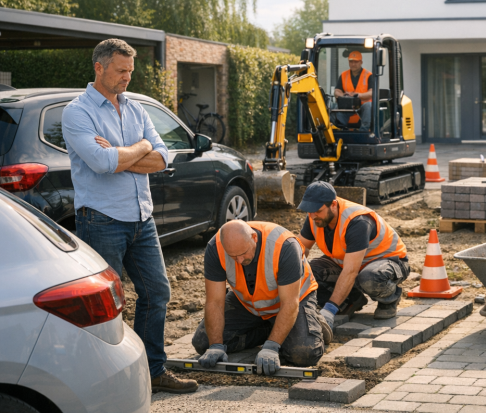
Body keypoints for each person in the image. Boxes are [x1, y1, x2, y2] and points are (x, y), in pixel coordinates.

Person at [61, 39, 197, 393]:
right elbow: (101, 162)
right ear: (99, 67)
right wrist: (140, 148)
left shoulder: (135, 108)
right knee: (104, 305)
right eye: (121, 71)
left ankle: (152, 371)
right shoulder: (77, 112)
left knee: (157, 293)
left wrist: (124, 154)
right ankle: (105, 382)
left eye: (130, 71)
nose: (127, 78)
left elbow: (162, 158)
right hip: (102, 219)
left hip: (142, 218)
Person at [191, 220, 329, 374]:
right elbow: (215, 302)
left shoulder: (284, 246)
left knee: (304, 354)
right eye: (233, 256)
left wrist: (271, 346)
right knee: (203, 342)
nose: (239, 261)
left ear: (254, 238)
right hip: (249, 303)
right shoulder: (215, 247)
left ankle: (312, 323)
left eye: (243, 253)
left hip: (292, 301)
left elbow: (290, 303)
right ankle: (271, 328)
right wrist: (216, 345)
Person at [296, 182, 410, 327]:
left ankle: (389, 299)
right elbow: (301, 249)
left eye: (317, 210)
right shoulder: (315, 217)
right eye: (309, 211)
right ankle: (352, 299)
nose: (312, 216)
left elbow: (350, 271)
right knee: (309, 272)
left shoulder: (357, 221)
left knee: (369, 278)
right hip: (349, 264)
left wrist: (329, 310)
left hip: (389, 263)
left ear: (333, 204)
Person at [334, 50, 373, 131]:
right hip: (348, 105)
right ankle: (340, 129)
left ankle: (364, 131)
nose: (353, 64)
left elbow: (371, 92)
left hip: (363, 105)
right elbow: (337, 91)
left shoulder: (369, 75)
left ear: (361, 62)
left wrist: (358, 95)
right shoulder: (343, 75)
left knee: (368, 106)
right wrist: (344, 96)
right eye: (351, 62)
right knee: (335, 107)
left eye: (356, 62)